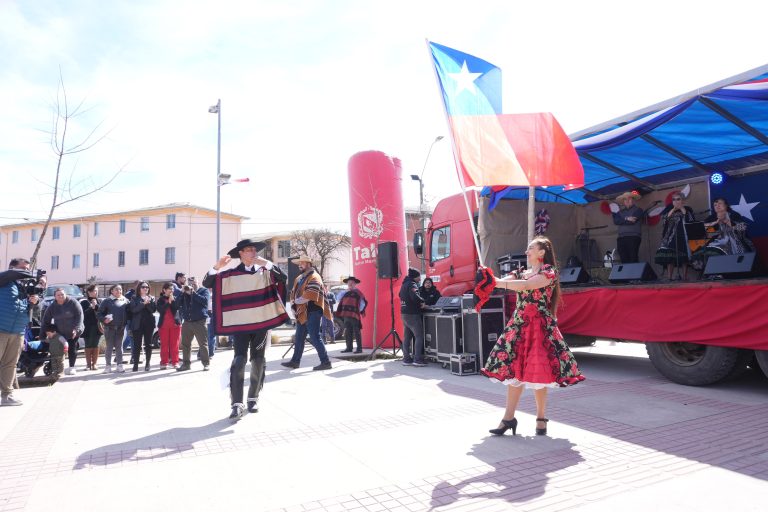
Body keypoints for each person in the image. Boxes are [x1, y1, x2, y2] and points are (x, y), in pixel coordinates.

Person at [481, 237, 585, 437]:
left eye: (531, 248)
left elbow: (526, 286)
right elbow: (511, 282)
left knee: (539, 372)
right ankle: (508, 418)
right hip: (519, 325)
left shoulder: (548, 272)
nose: (527, 252)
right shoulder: (521, 272)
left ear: (541, 253)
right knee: (513, 371)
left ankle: (541, 418)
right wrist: (488, 277)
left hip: (539, 327)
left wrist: (496, 282)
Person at [203, 238, 288, 420]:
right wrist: (217, 266)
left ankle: (253, 398)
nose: (253, 252)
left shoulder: (264, 271)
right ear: (240, 253)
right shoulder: (231, 274)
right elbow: (207, 283)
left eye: (254, 250)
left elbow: (283, 278)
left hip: (261, 325)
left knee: (258, 360)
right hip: (241, 326)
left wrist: (268, 264)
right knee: (239, 361)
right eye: (249, 250)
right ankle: (236, 403)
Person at [0, 258, 44, 406]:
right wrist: (32, 274)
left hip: (18, 331)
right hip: (1, 329)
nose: (25, 271)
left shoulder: (24, 287)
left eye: (27, 268)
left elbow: (34, 311)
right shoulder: (4, 279)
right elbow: (12, 274)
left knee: (10, 364)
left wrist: (35, 301)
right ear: (12, 268)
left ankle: (7, 395)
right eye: (23, 268)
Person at [282, 255, 334, 371]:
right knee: (299, 337)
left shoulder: (315, 276)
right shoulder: (300, 278)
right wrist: (293, 306)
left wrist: (297, 301)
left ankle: (326, 362)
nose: (300, 265)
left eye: (303, 263)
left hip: (314, 311)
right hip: (302, 312)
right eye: (299, 263)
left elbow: (311, 294)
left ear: (309, 264)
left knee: (315, 337)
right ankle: (295, 361)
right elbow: (293, 293)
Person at [692, 197, 755, 270]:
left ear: (726, 205)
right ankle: (714, 272)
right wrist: (712, 223)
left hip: (735, 240)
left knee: (723, 251)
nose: (717, 206)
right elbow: (699, 228)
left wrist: (726, 221)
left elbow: (743, 228)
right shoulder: (712, 217)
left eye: (720, 203)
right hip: (719, 240)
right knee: (703, 252)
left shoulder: (733, 214)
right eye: (715, 205)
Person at [42, 288, 84, 376]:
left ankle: (72, 367)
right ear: (55, 297)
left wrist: (76, 329)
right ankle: (58, 368)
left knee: (72, 347)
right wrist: (43, 334)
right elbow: (46, 321)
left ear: (65, 294)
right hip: (60, 331)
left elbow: (79, 316)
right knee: (58, 349)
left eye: (62, 294)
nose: (61, 296)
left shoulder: (73, 303)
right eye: (58, 295)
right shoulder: (52, 307)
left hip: (74, 330)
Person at [654, 193, 695, 280]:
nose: (676, 201)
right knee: (670, 257)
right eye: (674, 199)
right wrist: (674, 209)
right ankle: (669, 277)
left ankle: (684, 277)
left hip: (682, 235)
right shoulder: (669, 209)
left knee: (684, 257)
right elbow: (665, 219)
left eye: (678, 199)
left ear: (683, 200)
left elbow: (690, 220)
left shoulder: (687, 209)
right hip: (671, 236)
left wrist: (681, 208)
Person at [176, 277, 211, 372]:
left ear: (198, 282)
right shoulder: (185, 292)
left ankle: (206, 364)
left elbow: (204, 302)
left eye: (194, 283)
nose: (192, 285)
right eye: (190, 283)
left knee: (203, 344)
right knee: (185, 344)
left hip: (199, 321)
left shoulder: (204, 291)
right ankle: (186, 364)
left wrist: (193, 293)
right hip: (187, 322)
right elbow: (177, 304)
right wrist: (182, 293)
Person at [97, 284, 129, 373]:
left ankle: (120, 365)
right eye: (117, 289)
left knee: (119, 347)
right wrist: (104, 319)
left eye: (120, 289)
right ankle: (108, 366)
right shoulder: (107, 301)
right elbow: (99, 313)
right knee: (109, 347)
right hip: (109, 328)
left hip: (121, 328)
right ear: (112, 291)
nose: (119, 291)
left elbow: (130, 312)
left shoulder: (125, 300)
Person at [399, 267, 427, 367]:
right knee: (419, 336)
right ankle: (417, 359)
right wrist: (423, 301)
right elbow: (414, 296)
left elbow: (400, 295)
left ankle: (406, 359)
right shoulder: (412, 284)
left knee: (407, 337)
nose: (420, 279)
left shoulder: (404, 284)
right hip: (412, 314)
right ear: (415, 276)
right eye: (419, 276)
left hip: (404, 313)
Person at [128, 281, 157, 372]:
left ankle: (147, 364)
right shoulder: (134, 298)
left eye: (147, 287)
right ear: (139, 288)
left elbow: (153, 310)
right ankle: (135, 364)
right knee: (137, 345)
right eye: (143, 287)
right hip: (138, 324)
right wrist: (143, 303)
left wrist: (148, 303)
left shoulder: (151, 298)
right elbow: (134, 310)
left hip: (149, 324)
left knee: (148, 344)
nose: (145, 288)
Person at [336, 276, 367, 354]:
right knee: (348, 331)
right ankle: (349, 348)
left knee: (356, 331)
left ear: (355, 284)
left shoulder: (358, 293)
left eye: (352, 283)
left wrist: (356, 311)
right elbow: (338, 298)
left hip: (354, 315)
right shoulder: (344, 292)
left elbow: (363, 304)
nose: (350, 284)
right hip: (346, 315)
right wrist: (346, 291)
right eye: (349, 282)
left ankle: (359, 349)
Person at [612, 190, 644, 263]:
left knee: (633, 257)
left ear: (633, 200)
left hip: (633, 237)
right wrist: (627, 218)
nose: (627, 201)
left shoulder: (638, 210)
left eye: (629, 199)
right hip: (621, 238)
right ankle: (627, 274)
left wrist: (622, 220)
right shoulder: (620, 212)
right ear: (623, 201)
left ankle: (635, 274)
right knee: (623, 259)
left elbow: (632, 221)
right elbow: (616, 221)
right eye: (625, 199)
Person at [156, 282, 181, 369]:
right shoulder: (160, 300)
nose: (172, 290)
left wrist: (172, 300)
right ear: (164, 290)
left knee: (175, 345)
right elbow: (161, 310)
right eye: (170, 289)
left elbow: (176, 308)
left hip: (175, 325)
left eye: (173, 289)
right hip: (163, 325)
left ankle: (175, 362)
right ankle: (164, 362)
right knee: (164, 345)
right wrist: (168, 302)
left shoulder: (176, 298)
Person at [80, 284, 102, 370]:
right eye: (93, 291)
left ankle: (95, 364)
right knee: (88, 344)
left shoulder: (99, 301)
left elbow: (102, 312)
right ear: (88, 292)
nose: (95, 293)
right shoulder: (84, 302)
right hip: (88, 327)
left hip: (97, 326)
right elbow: (83, 314)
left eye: (96, 291)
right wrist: (91, 308)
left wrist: (96, 306)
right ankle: (88, 364)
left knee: (96, 344)